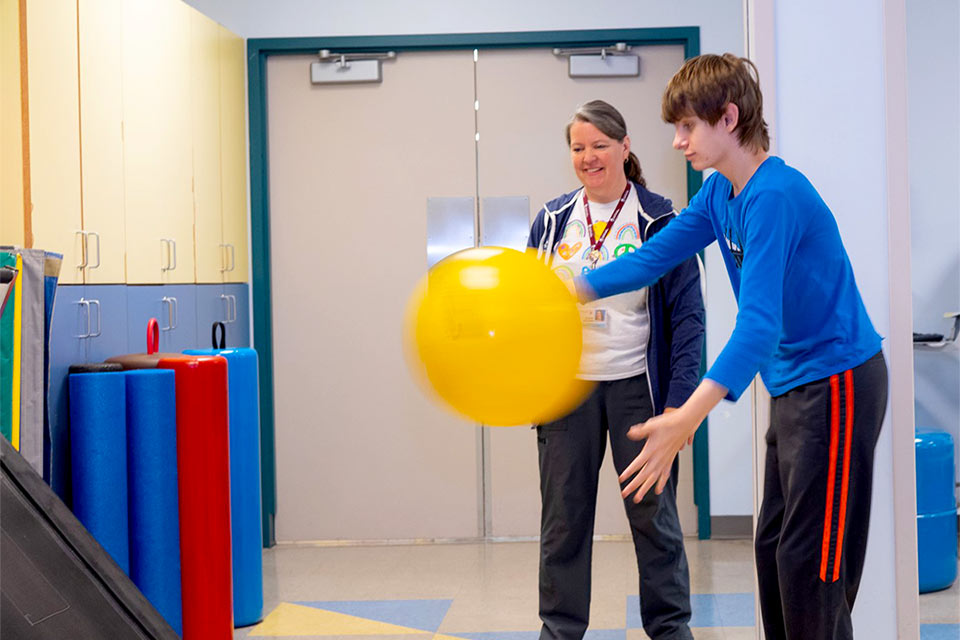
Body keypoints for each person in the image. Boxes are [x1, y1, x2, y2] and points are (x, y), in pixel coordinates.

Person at [576, 55, 888, 640]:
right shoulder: (721, 192)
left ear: (729, 117)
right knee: (774, 551)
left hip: (839, 381)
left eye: (688, 127)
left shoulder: (775, 196)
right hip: (794, 385)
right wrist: (570, 288)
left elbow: (758, 326)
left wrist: (684, 419)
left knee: (811, 563)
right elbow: (654, 257)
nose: (677, 142)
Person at [527, 99, 705, 640]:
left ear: (625, 148)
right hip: (567, 393)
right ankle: (559, 631)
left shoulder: (659, 219)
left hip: (638, 391)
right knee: (563, 524)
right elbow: (528, 311)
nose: (588, 157)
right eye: (578, 148)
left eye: (600, 145)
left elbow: (690, 320)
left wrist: (678, 407)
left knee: (654, 522)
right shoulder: (552, 220)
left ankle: (671, 629)